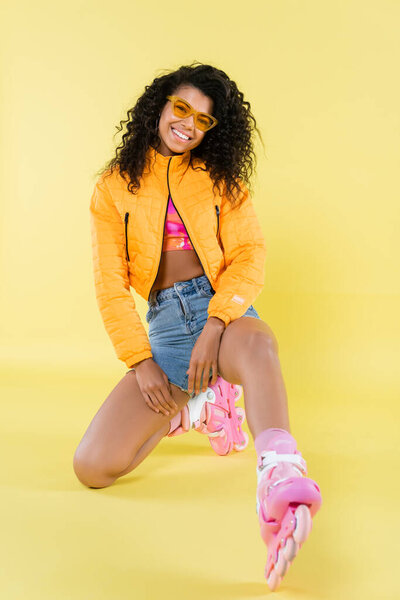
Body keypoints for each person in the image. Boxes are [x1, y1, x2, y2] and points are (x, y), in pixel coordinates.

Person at [73, 61, 322, 591]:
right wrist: (141, 363)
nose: (188, 124)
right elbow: (108, 283)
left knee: (257, 344)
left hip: (220, 313)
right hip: (163, 329)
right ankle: (203, 405)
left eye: (203, 120)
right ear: (160, 106)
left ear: (213, 130)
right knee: (93, 468)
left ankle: (279, 471)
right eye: (181, 108)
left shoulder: (219, 180)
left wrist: (216, 323)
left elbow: (250, 256)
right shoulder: (113, 187)